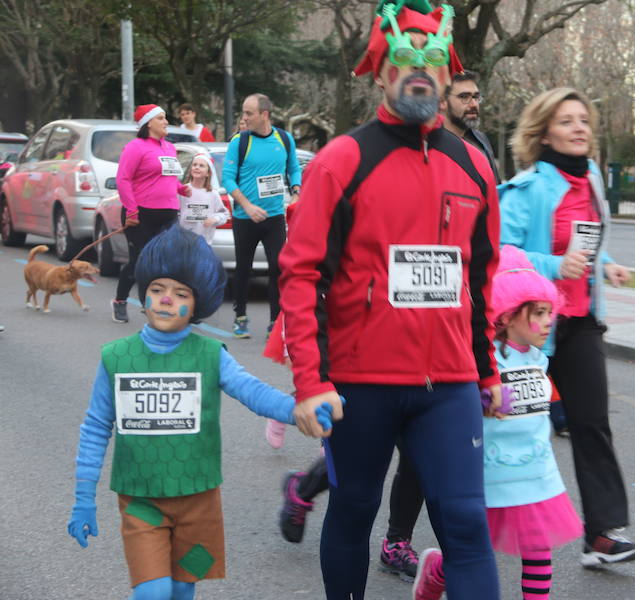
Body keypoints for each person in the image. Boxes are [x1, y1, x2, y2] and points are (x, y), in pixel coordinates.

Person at [278, 2, 504, 598]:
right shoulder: (342, 161)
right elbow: (300, 275)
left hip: (448, 383)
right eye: (405, 60)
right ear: (381, 73)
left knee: (466, 524)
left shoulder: (475, 167)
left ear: (449, 76)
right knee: (353, 510)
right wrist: (310, 381)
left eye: (432, 61)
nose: (420, 72)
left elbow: (482, 279)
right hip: (360, 382)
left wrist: (488, 371)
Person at [67, 225, 297, 600]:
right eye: (157, 289)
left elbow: (252, 391)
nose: (166, 300)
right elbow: (95, 428)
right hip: (140, 498)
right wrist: (83, 498)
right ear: (144, 294)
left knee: (180, 590)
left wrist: (297, 410)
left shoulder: (210, 355)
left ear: (198, 302)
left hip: (198, 499)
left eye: (180, 293)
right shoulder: (116, 358)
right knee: (153, 593)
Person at [499, 87, 635, 570]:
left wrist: (605, 265)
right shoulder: (528, 189)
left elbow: (585, 242)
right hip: (529, 328)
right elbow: (503, 252)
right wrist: (554, 265)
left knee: (591, 425)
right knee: (505, 428)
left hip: (579, 323)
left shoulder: (593, 180)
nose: (580, 128)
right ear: (543, 132)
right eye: (567, 121)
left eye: (584, 119)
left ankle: (602, 535)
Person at [413, 245, 583, 600]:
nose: (549, 320)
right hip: (489, 472)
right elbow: (457, 403)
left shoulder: (540, 359)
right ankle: (436, 571)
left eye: (550, 311)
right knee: (473, 548)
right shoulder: (482, 363)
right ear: (505, 316)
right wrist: (483, 400)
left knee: (539, 547)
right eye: (538, 312)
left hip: (536, 470)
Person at [262, 304, 425, 583]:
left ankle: (397, 543)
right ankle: (302, 488)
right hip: (355, 359)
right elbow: (306, 288)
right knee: (360, 456)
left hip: (415, 353)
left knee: (418, 455)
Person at [222, 93, 302, 338]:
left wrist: (296, 192)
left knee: (278, 268)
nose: (244, 118)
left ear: (264, 115)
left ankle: (275, 322)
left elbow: (294, 169)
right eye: (243, 113)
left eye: (249, 113)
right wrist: (247, 206)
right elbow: (227, 178)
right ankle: (240, 318)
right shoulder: (240, 141)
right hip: (246, 218)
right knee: (243, 268)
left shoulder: (284, 139)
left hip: (275, 216)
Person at [112, 104, 191, 324]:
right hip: (142, 213)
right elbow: (123, 179)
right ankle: (120, 301)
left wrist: (181, 188)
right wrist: (131, 209)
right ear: (149, 123)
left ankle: (153, 305)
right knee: (139, 261)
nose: (166, 122)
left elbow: (168, 177)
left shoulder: (169, 147)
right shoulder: (135, 147)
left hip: (169, 212)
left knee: (165, 261)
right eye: (162, 118)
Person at [441, 70, 499, 182]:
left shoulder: (480, 141)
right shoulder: (428, 143)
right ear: (443, 101)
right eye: (464, 97)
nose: (474, 104)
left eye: (476, 97)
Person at [178, 154, 229, 245]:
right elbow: (175, 213)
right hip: (183, 242)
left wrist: (214, 219)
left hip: (204, 242)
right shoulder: (183, 190)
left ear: (208, 173)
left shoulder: (213, 194)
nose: (197, 167)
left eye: (201, 166)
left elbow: (224, 214)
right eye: (194, 165)